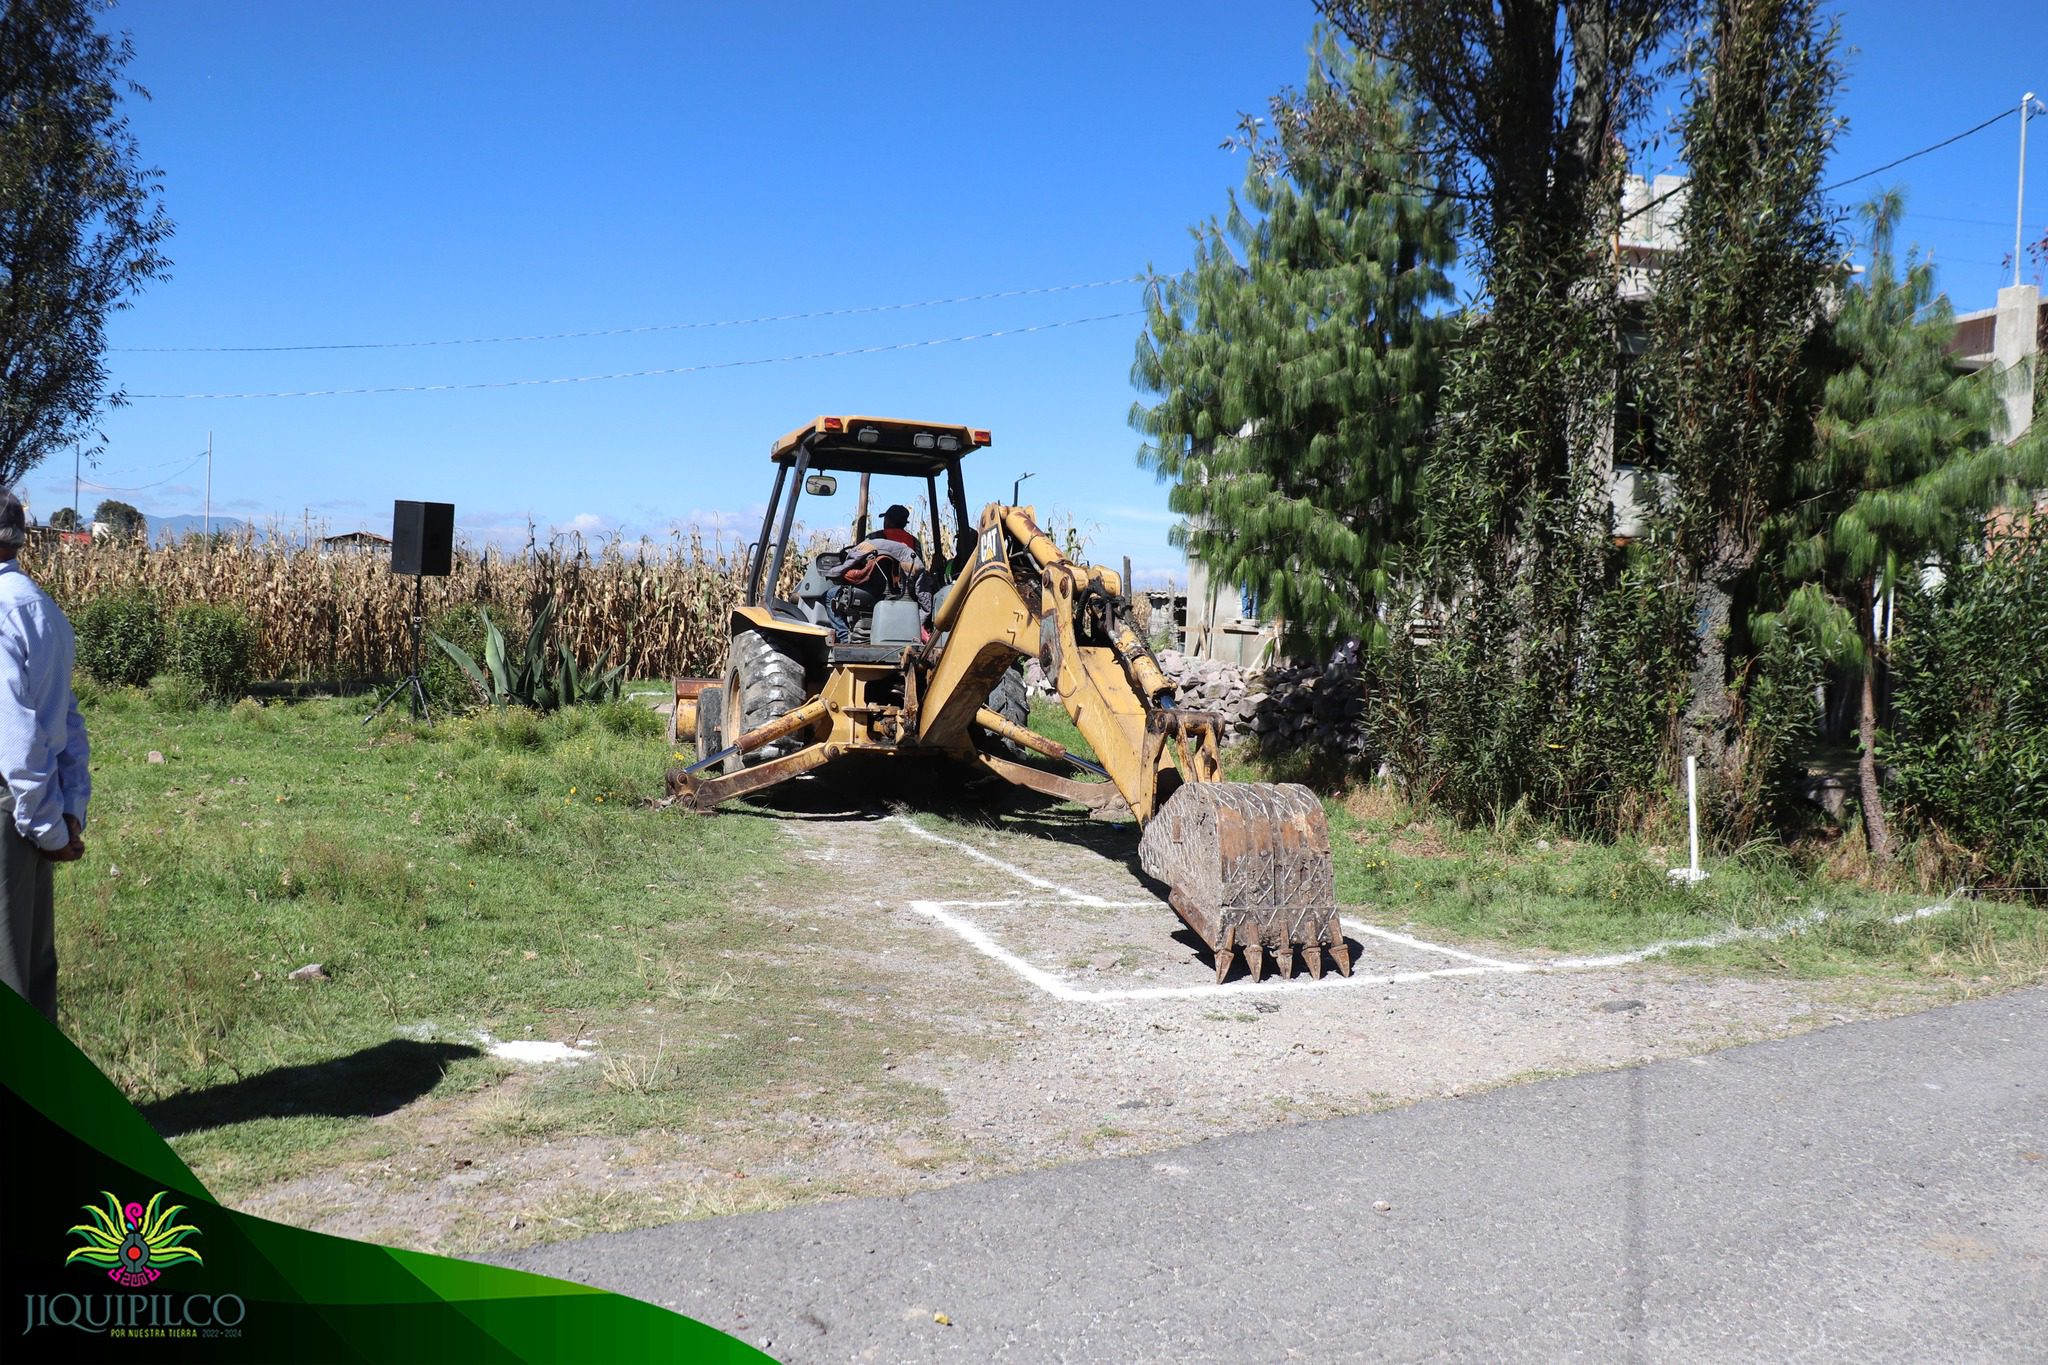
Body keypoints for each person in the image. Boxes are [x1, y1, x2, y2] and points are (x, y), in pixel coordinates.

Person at [0, 487, 89, 1025]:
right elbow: (67, 719)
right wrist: (68, 812)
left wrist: (50, 828)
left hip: (12, 810)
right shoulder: (42, 608)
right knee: (34, 971)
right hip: (36, 809)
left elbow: (17, 739)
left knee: (9, 982)